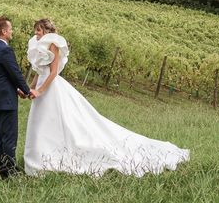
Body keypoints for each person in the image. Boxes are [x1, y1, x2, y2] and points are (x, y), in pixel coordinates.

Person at [23, 18, 190, 176]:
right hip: (41, 88)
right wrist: (29, 88)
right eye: (35, 31)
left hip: (50, 89)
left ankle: (53, 158)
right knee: (41, 123)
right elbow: (40, 71)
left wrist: (41, 91)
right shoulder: (39, 47)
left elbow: (53, 73)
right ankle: (39, 158)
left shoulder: (54, 44)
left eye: (38, 30)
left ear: (46, 30)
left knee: (58, 121)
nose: (36, 33)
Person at [0, 16, 39, 179]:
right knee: (9, 136)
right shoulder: (5, 50)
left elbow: (1, 75)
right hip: (5, 100)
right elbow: (15, 73)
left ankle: (3, 168)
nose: (12, 32)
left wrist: (16, 88)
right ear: (4, 32)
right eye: (10, 29)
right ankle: (10, 172)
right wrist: (27, 90)